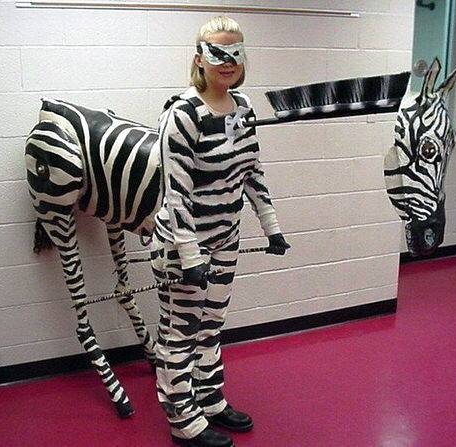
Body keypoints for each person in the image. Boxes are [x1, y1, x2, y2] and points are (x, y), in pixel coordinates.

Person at [150, 16, 290, 447]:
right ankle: (182, 419)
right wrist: (191, 257)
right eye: (218, 53)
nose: (227, 62)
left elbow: (252, 171)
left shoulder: (243, 107)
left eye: (236, 53)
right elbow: (175, 193)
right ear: (199, 59)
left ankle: (209, 400)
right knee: (181, 330)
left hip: (226, 239)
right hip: (182, 246)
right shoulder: (182, 114)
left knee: (212, 324)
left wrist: (271, 226)